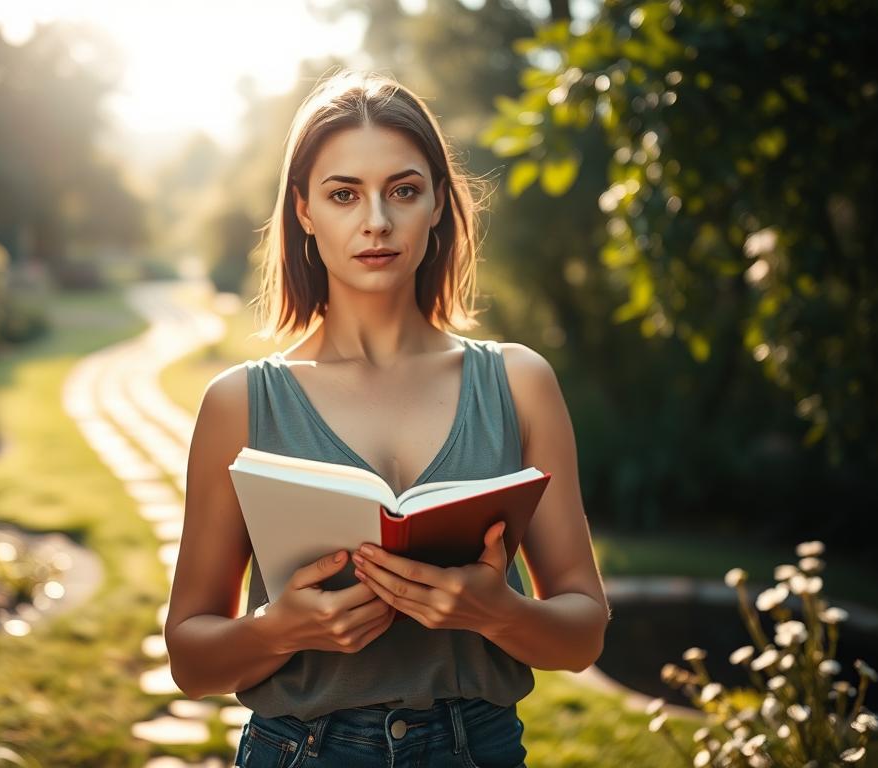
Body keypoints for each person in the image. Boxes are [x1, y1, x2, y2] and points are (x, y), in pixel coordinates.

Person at [164, 68, 610, 768]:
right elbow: (192, 659)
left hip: (479, 750)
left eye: (403, 190)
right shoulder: (239, 403)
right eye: (345, 194)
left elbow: (583, 634)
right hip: (300, 750)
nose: (377, 220)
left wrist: (497, 613)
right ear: (304, 210)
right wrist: (281, 631)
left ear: (437, 203)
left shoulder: (519, 383)